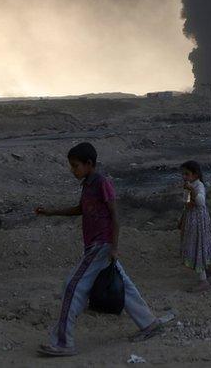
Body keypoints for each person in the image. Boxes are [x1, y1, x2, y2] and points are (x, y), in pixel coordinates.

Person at [34, 142, 162, 357]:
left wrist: (114, 247)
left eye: (75, 166)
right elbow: (80, 210)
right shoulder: (87, 185)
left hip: (101, 245)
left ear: (89, 164)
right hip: (96, 246)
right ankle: (149, 323)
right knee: (121, 284)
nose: (72, 170)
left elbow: (115, 216)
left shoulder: (102, 183)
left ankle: (64, 342)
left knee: (72, 287)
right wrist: (51, 212)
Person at [179, 161, 211, 292]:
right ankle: (210, 268)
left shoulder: (199, 186)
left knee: (198, 247)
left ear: (195, 174)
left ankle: (203, 281)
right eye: (183, 174)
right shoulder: (189, 186)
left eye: (187, 174)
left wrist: (192, 191)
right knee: (199, 245)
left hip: (199, 221)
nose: (184, 177)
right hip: (192, 220)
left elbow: (200, 202)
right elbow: (187, 203)